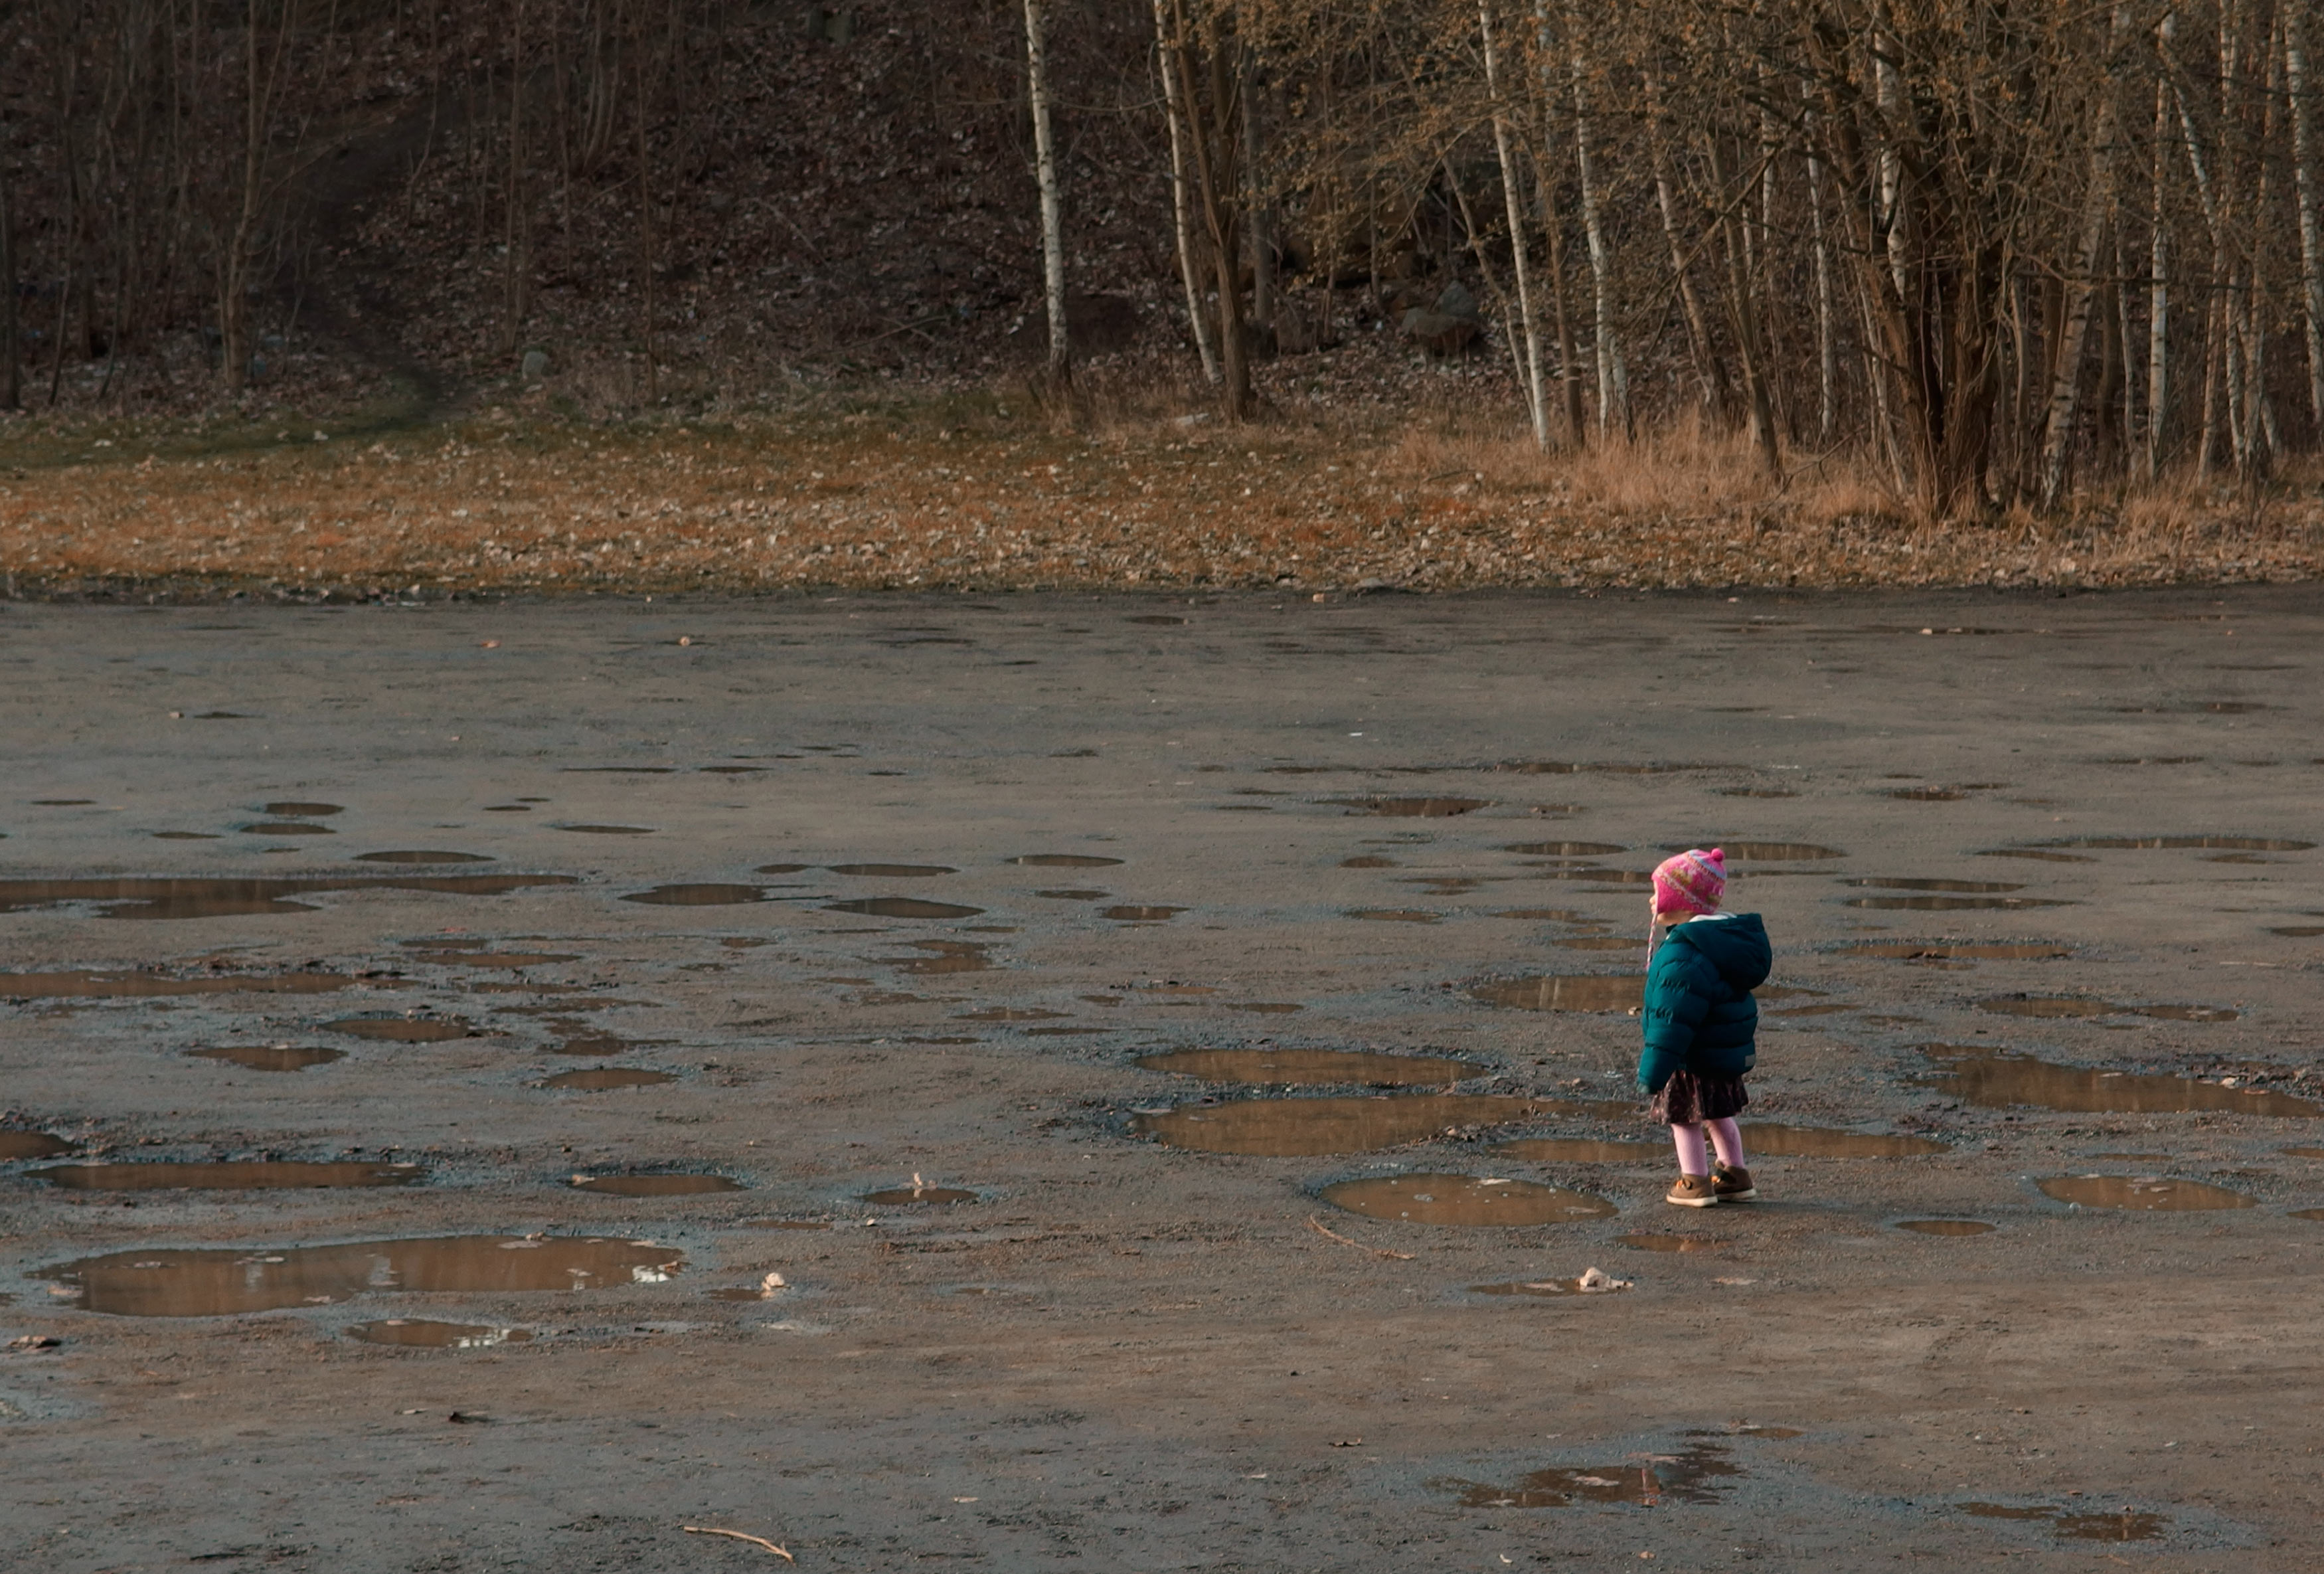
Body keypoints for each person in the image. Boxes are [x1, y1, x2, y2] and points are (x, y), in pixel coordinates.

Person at [1637, 847, 1770, 1207]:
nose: (1651, 900)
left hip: (1689, 1057)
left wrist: (1653, 1072)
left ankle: (1694, 1181)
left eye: (1658, 892)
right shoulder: (1724, 942)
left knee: (1684, 1118)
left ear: (1682, 901)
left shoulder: (1683, 954)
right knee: (1719, 1114)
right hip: (1721, 1052)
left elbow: (1672, 1019)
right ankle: (1735, 1174)